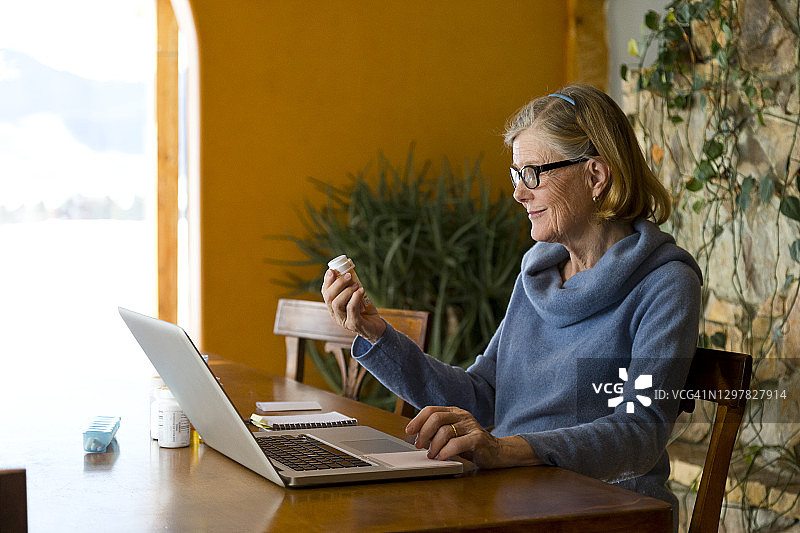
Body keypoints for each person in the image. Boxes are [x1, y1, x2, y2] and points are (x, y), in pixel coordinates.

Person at [321, 84, 701, 527]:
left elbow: (640, 432)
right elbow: (482, 396)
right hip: (510, 495)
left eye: (534, 173)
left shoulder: (665, 282)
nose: (519, 194)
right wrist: (376, 334)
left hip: (609, 508)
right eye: (515, 175)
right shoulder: (538, 274)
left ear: (595, 176)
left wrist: (505, 450)